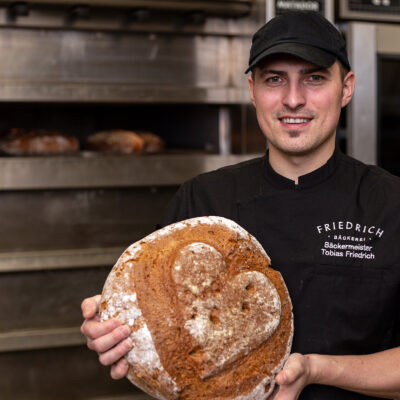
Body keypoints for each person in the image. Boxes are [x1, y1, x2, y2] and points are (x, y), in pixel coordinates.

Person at [81, 11, 400, 400]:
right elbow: (164, 348)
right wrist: (115, 330)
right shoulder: (202, 199)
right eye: (274, 79)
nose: (293, 99)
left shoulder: (390, 204)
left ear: (346, 88)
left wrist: (319, 370)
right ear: (252, 89)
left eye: (314, 78)